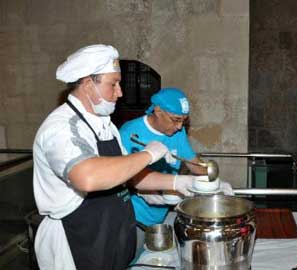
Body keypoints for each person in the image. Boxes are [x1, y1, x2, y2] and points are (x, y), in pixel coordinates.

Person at [33, 44, 196, 270]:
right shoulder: (61, 127)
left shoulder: (105, 126)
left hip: (109, 236)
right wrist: (148, 154)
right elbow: (87, 176)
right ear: (89, 84)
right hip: (76, 242)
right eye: (113, 84)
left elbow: (129, 175)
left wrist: (180, 182)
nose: (120, 92)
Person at [119, 87, 233, 256]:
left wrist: (212, 179)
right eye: (175, 120)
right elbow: (124, 177)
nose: (180, 127)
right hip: (132, 218)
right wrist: (144, 191)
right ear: (158, 111)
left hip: (162, 216)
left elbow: (192, 162)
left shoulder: (176, 133)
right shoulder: (129, 133)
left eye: (183, 121)